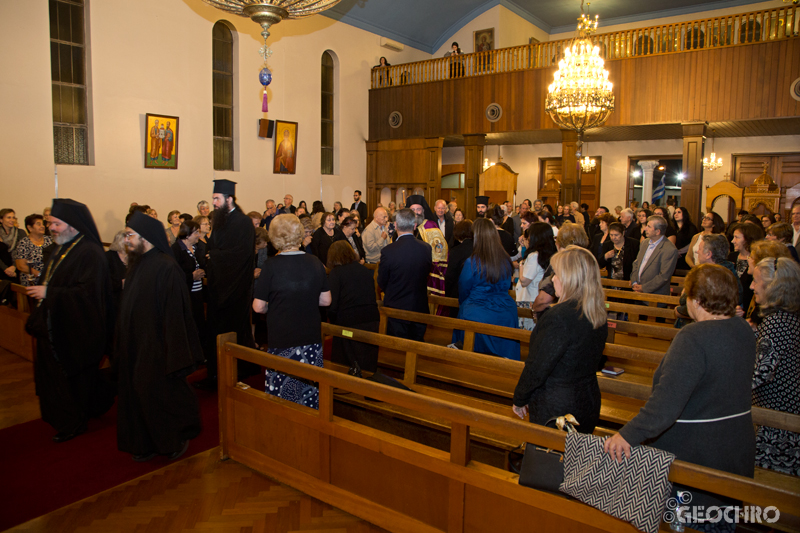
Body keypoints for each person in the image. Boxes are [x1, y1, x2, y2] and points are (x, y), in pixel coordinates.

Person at [604, 264, 756, 526]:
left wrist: (627, 435)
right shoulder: (743, 329)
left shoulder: (693, 336)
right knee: (719, 521)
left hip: (695, 452)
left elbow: (667, 402)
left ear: (695, 300)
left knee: (687, 523)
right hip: (733, 447)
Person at [25, 199, 115, 442]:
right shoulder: (61, 246)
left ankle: (73, 423)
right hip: (56, 324)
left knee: (72, 378)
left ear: (73, 225)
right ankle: (89, 407)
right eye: (49, 223)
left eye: (56, 223)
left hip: (77, 329)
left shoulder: (91, 252)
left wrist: (50, 293)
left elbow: (89, 294)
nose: (51, 228)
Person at [117, 211, 203, 462]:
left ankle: (172, 438)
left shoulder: (166, 266)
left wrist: (171, 351)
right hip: (137, 343)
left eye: (130, 235)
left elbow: (175, 314)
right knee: (140, 393)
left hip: (158, 345)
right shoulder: (137, 262)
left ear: (146, 237)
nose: (127, 240)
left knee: (161, 394)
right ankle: (144, 442)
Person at [512, 246, 608, 432]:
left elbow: (538, 366)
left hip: (558, 408)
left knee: (550, 459)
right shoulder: (596, 312)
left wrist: (520, 398)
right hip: (587, 399)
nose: (553, 278)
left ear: (569, 278)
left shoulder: (558, 317)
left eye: (557, 274)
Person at [253, 214, 331, 409]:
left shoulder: (270, 265)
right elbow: (326, 300)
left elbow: (258, 306)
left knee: (283, 395)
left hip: (282, 336)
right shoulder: (314, 262)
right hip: (310, 336)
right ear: (299, 234)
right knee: (309, 388)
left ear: (275, 237)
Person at [195, 179, 256, 391]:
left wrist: (215, 256)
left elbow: (241, 255)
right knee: (215, 330)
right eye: (213, 198)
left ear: (229, 199)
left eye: (216, 199)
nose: (213, 203)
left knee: (233, 330)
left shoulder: (242, 222)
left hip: (235, 289)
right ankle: (215, 372)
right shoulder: (220, 221)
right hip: (218, 287)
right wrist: (212, 255)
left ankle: (234, 372)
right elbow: (212, 247)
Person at [751, 256, 800, 476]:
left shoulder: (776, 321)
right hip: (785, 407)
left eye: (756, 280)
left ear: (773, 286)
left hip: (777, 414)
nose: (751, 286)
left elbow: (761, 372)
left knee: (770, 480)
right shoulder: (787, 316)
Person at [451, 218, 520, 359]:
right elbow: (507, 285)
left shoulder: (473, 261)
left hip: (477, 311)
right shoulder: (506, 259)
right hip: (505, 311)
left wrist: (465, 304)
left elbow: (464, 288)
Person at [377, 208, 432, 342]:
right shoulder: (426, 248)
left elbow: (381, 282)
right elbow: (426, 273)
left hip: (396, 308)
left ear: (395, 225)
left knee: (397, 351)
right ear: (414, 226)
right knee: (417, 346)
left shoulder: (388, 251)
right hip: (419, 307)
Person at [327, 241, 380, 374]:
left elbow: (333, 304)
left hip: (349, 322)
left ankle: (346, 388)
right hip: (371, 319)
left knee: (346, 361)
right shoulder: (363, 269)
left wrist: (333, 322)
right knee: (367, 358)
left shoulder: (336, 273)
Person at [172, 220, 207, 351]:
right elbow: (174, 275)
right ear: (187, 234)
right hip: (185, 294)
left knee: (199, 322)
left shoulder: (196, 248)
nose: (198, 235)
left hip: (197, 293)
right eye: (196, 232)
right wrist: (192, 276)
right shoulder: (176, 250)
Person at [407, 195, 448, 300]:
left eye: (418, 209)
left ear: (423, 210)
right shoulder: (404, 227)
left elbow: (439, 253)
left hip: (425, 275)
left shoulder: (431, 226)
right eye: (413, 209)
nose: (416, 212)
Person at [515, 223, 556, 330]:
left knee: (527, 333)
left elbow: (524, 281)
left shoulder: (534, 256)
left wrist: (521, 264)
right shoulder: (550, 254)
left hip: (529, 300)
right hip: (539, 298)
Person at [630, 215, 679, 296]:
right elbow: (636, 263)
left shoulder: (669, 249)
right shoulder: (645, 243)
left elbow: (664, 276)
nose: (645, 229)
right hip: (637, 291)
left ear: (657, 231)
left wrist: (644, 288)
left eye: (649, 226)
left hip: (655, 295)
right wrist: (634, 282)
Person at [729, 222, 765, 312]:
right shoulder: (731, 256)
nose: (732, 241)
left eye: (736, 237)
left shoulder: (757, 261)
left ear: (748, 239)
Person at [13, 214, 53, 286]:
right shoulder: (24, 243)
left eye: (42, 224)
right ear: (30, 228)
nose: (42, 226)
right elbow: (21, 266)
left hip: (50, 280)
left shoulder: (50, 240)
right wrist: (40, 275)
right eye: (38, 224)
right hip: (31, 281)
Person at [445, 220, 474, 308]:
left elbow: (450, 276)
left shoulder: (456, 251)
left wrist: (447, 295)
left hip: (458, 293)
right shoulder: (480, 247)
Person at [106, 230, 127, 320]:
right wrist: (121, 283)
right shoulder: (108, 257)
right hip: (113, 302)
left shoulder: (135, 257)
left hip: (128, 301)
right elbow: (104, 281)